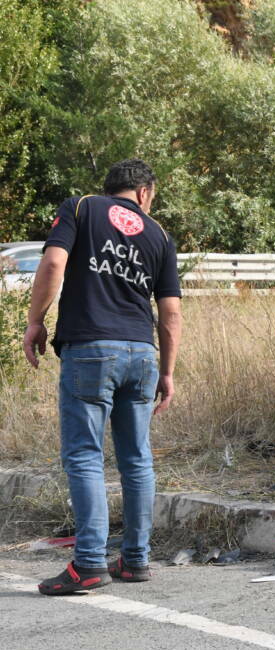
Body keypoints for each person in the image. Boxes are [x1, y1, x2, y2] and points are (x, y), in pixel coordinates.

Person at [23, 158, 182, 595]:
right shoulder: (160, 235)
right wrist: (167, 371)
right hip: (142, 354)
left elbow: (54, 264)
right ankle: (135, 559)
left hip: (92, 350)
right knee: (136, 459)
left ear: (110, 187)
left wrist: (35, 321)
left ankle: (90, 563)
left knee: (85, 456)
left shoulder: (80, 208)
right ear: (145, 193)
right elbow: (170, 313)